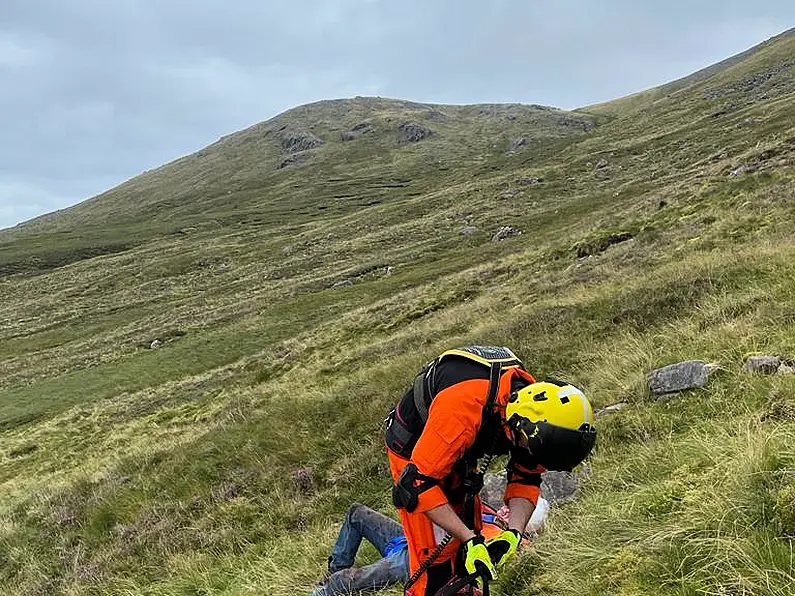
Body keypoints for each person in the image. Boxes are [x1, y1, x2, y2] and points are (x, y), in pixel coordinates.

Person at [384, 345, 596, 596]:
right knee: (436, 557)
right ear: (518, 425)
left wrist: (513, 534)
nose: (531, 455)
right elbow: (417, 485)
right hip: (415, 455)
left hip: (460, 447)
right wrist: (467, 538)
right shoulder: (464, 406)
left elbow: (527, 474)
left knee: (468, 544)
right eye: (531, 448)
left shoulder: (531, 410)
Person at [309, 498, 550, 596]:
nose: (505, 509)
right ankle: (334, 568)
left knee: (344, 583)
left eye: (514, 512)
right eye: (508, 505)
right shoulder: (484, 511)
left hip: (419, 561)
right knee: (357, 514)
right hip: (411, 539)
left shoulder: (503, 541)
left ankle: (319, 592)